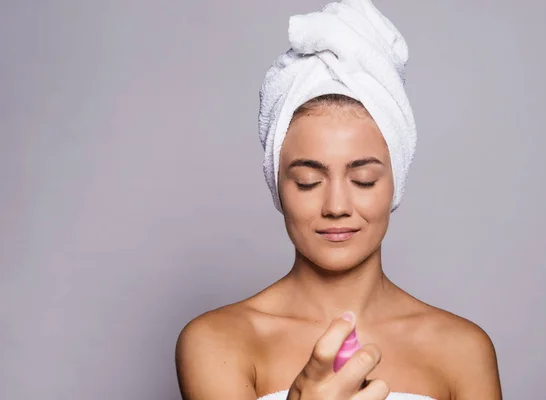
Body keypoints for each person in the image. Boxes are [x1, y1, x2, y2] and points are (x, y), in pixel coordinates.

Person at [175, 1, 502, 399]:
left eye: (363, 179)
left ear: (394, 183)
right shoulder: (219, 341)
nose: (336, 205)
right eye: (308, 181)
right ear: (278, 186)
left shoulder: (462, 349)